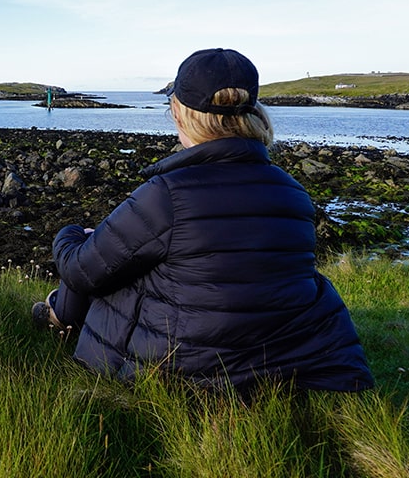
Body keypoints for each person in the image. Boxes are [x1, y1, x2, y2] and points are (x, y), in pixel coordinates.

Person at [33, 48, 373, 393]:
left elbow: (80, 269)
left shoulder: (166, 195)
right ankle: (59, 312)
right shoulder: (294, 192)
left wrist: (72, 234)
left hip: (187, 370)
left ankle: (58, 314)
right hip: (280, 360)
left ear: (180, 113)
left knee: (106, 260)